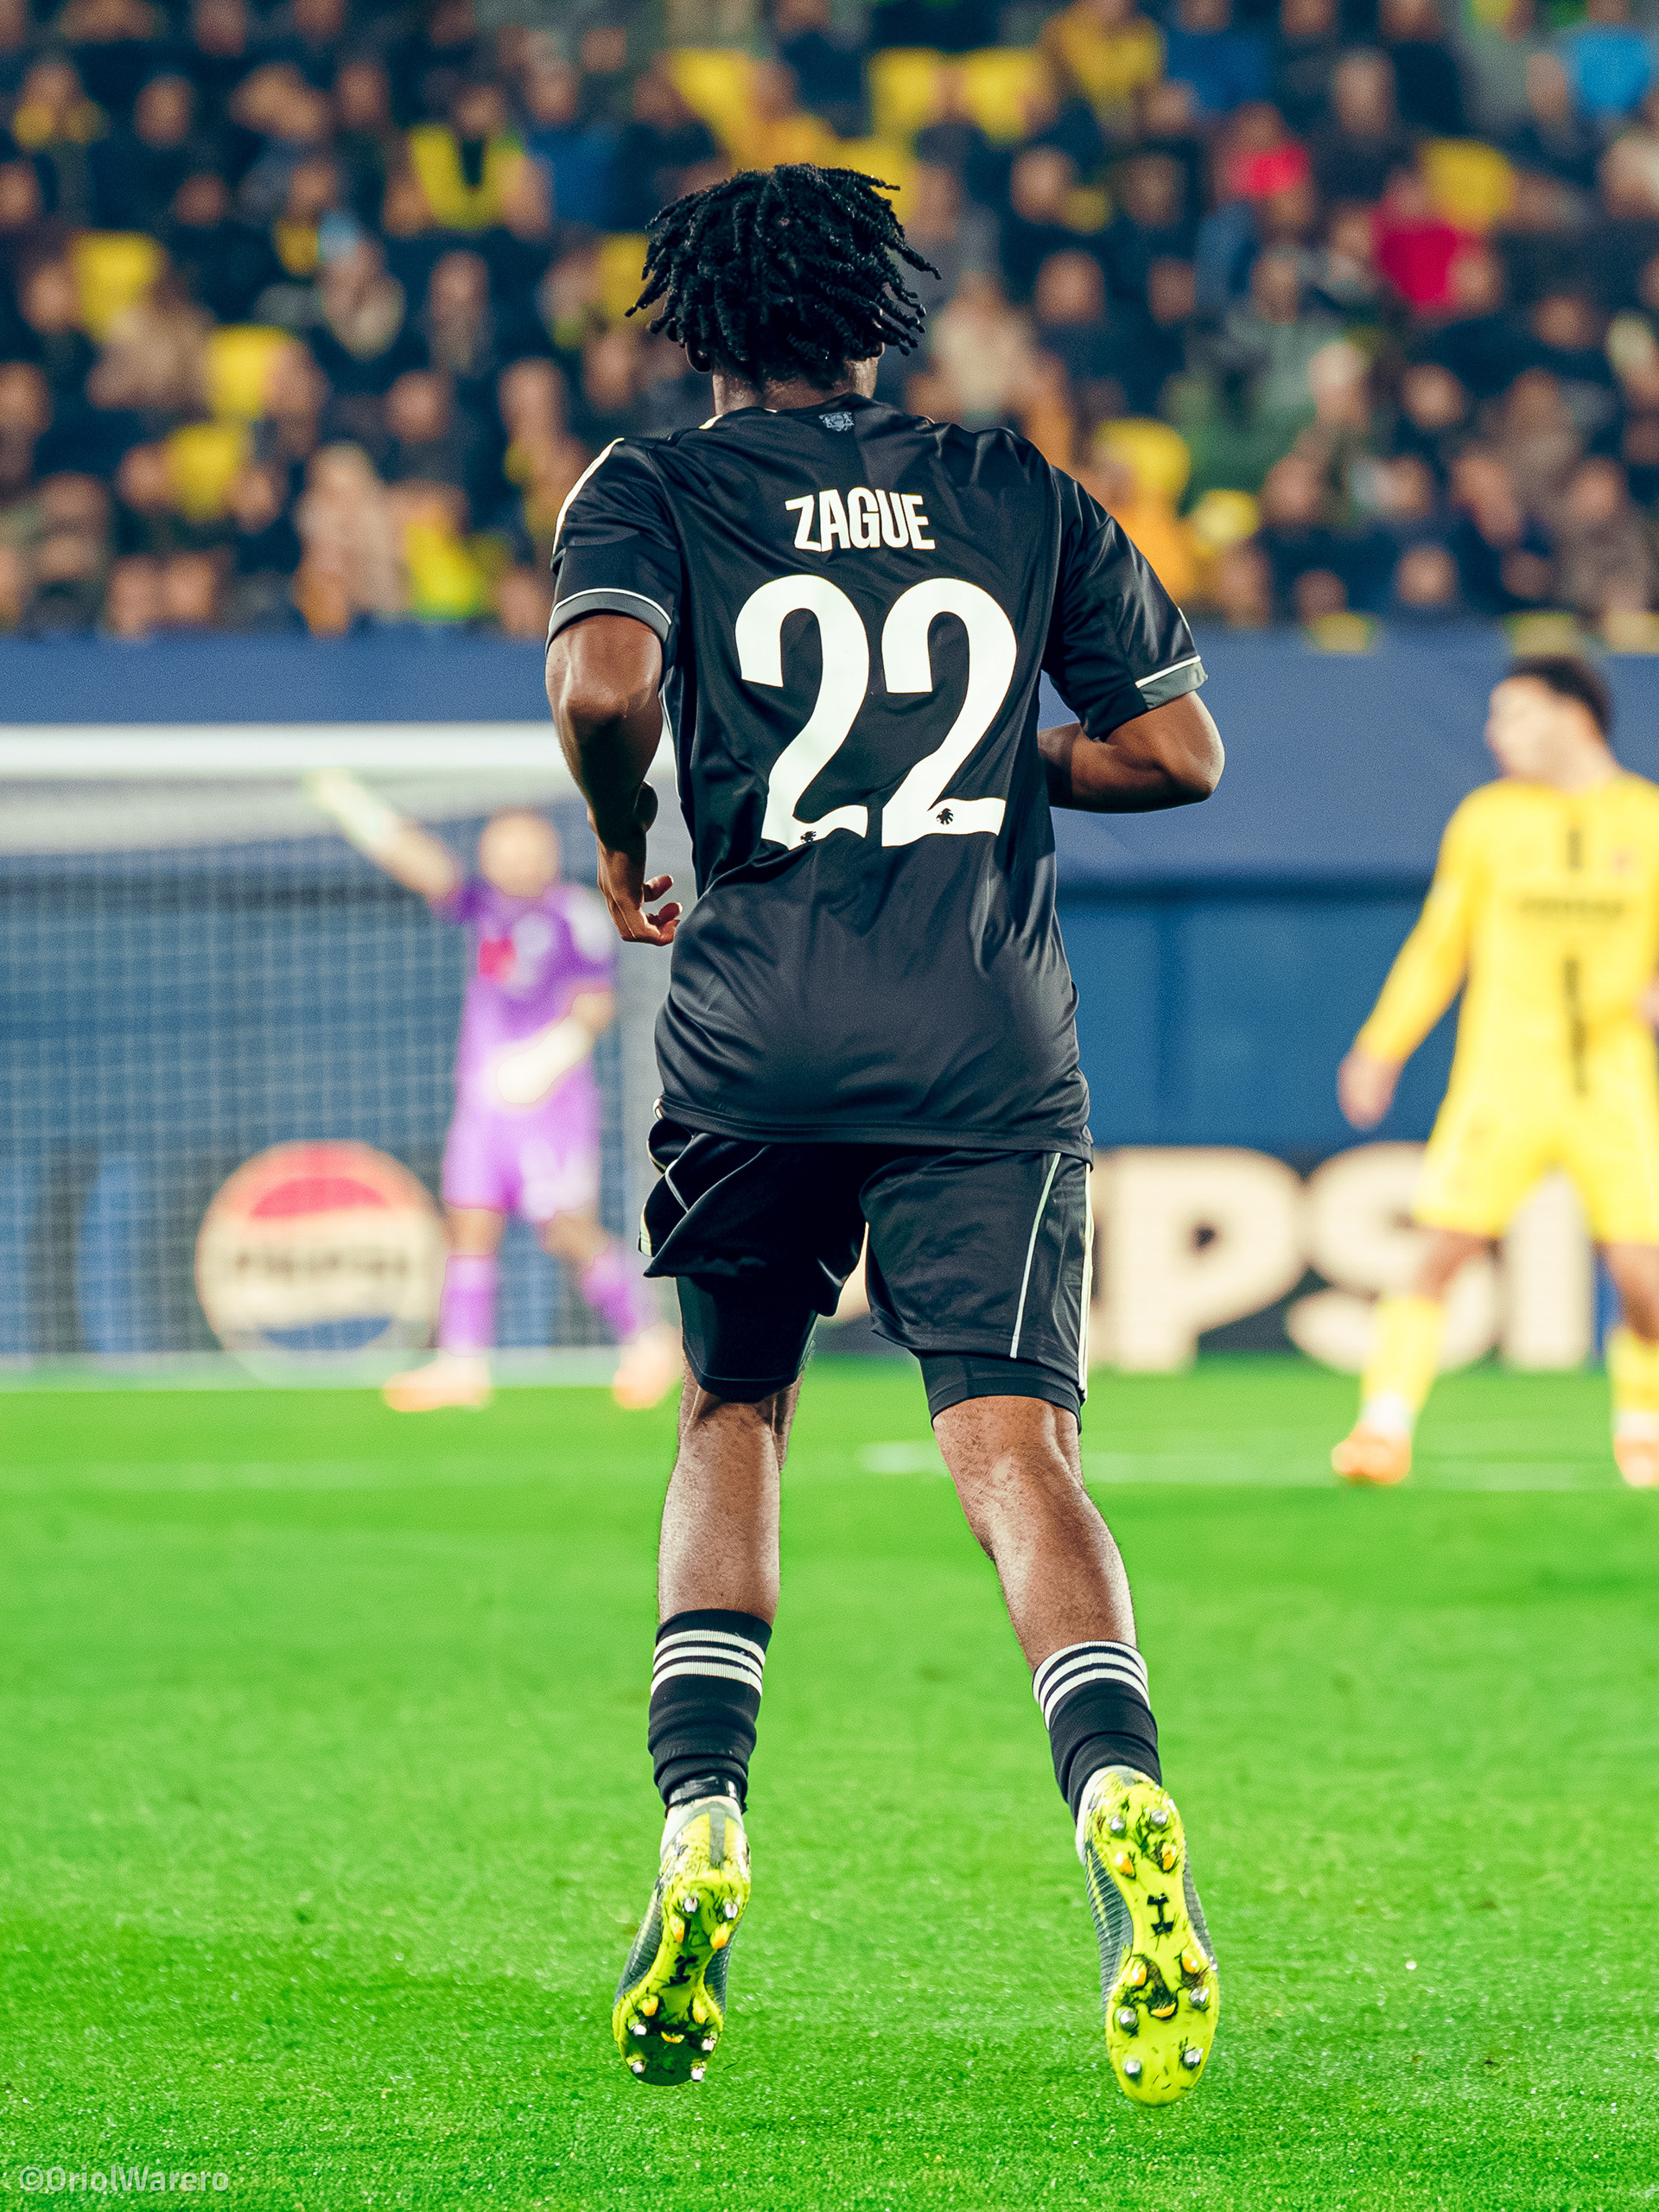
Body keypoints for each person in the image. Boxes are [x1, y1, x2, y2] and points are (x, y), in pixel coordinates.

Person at [542, 165, 1226, 2105]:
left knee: (733, 1409)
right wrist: (1008, 758)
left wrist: (622, 824)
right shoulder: (1015, 484)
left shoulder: (650, 486)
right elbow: (1178, 751)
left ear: (697, 322)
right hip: (981, 1040)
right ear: (879, 312)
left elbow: (605, 680)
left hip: (757, 1033)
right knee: (1015, 1448)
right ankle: (1117, 1791)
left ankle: (702, 1819)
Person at [1333, 656, 1659, 1491]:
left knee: (1643, 1274)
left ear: (1572, 717)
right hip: (1503, 1077)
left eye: (1512, 714)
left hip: (1614, 1078)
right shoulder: (1487, 821)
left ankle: (1644, 1431)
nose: (1493, 733)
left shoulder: (1648, 820)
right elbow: (1441, 944)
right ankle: (1381, 1429)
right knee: (1440, 1252)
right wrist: (1381, 1045)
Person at [300, 778, 683, 1413]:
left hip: (549, 1105)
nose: (512, 862)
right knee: (469, 1221)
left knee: (565, 1228)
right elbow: (425, 867)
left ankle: (648, 1338)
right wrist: (357, 810)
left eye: (524, 849)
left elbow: (595, 1005)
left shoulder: (574, 916)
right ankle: (462, 1364)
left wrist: (542, 1063)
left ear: (548, 854)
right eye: (500, 850)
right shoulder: (484, 908)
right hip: (483, 1108)